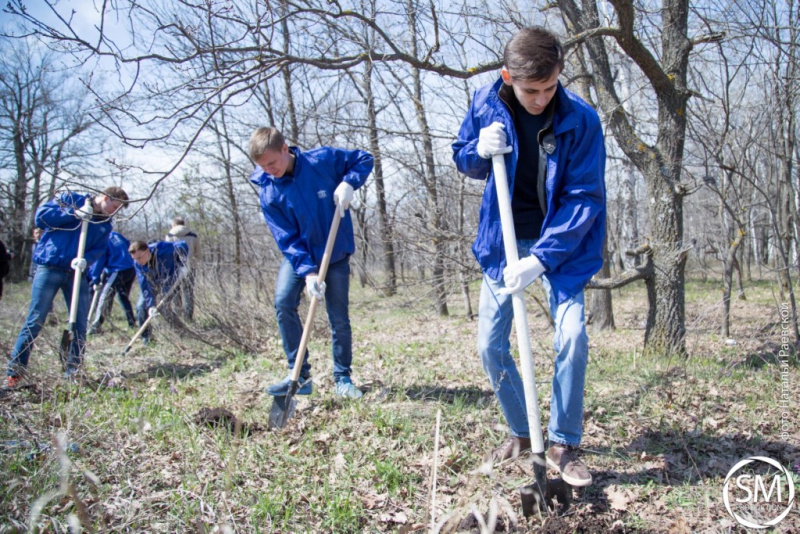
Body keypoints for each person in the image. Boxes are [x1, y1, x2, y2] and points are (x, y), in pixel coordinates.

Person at [452, 27, 606, 487]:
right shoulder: (485, 103)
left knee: (572, 337)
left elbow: (584, 198)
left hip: (562, 245)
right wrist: (478, 151)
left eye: (550, 88)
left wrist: (540, 259)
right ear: (508, 77)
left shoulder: (581, 120)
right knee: (490, 345)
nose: (541, 99)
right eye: (530, 91)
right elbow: (463, 157)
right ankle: (522, 432)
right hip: (504, 239)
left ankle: (563, 442)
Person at [248, 127, 372, 399]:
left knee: (338, 318)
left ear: (285, 149)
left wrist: (349, 183)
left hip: (334, 252)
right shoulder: (268, 191)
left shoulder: (322, 161)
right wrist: (308, 273)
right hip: (299, 255)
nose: (269, 170)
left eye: (272, 163)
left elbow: (364, 159)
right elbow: (286, 237)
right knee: (283, 302)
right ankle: (299, 375)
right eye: (262, 166)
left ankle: (343, 378)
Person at [5, 187, 129, 387]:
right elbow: (42, 218)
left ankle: (73, 371)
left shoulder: (104, 225)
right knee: (36, 319)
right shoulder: (70, 199)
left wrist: (86, 260)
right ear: (105, 197)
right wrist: (74, 213)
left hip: (75, 274)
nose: (114, 212)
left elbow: (98, 249)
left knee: (80, 322)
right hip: (50, 267)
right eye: (114, 207)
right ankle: (14, 373)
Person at [128, 239, 189, 345]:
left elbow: (183, 245)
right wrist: (151, 305)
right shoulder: (138, 264)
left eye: (139, 257)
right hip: (152, 283)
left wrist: (183, 264)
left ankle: (182, 332)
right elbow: (145, 284)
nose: (137, 261)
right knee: (141, 307)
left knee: (163, 307)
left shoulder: (164, 250)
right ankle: (147, 338)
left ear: (147, 251)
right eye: (134, 259)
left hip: (169, 281)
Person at [87, 231, 137, 334]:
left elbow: (100, 260)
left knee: (105, 296)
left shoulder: (101, 240)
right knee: (123, 297)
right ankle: (132, 323)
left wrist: (95, 277)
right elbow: (129, 245)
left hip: (117, 270)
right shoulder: (116, 235)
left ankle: (96, 326)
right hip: (130, 269)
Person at [165, 217, 200, 321]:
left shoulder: (169, 236)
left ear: (173, 225)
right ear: (183, 224)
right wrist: (194, 261)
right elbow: (198, 254)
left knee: (175, 292)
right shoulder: (193, 236)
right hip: (189, 267)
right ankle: (188, 317)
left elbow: (167, 253)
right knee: (188, 292)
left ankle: (178, 315)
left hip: (174, 268)